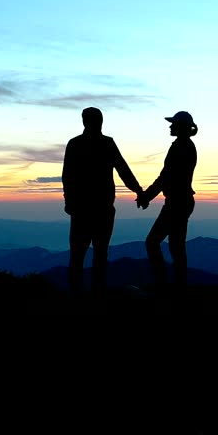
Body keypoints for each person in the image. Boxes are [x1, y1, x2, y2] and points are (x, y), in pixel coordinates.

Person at [61, 106, 144, 294]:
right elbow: (123, 170)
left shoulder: (75, 144)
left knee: (78, 253)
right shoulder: (107, 144)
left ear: (84, 121)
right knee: (99, 252)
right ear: (100, 121)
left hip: (81, 208)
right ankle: (97, 291)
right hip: (102, 208)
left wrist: (69, 201)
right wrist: (138, 191)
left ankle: (76, 291)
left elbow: (67, 176)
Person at [137, 110, 198, 293]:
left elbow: (165, 177)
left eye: (173, 124)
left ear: (182, 127)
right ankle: (177, 285)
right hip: (182, 201)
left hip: (177, 203)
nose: (170, 127)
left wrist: (146, 196)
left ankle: (163, 284)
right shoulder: (186, 146)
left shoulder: (181, 147)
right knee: (176, 245)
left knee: (153, 242)